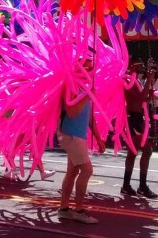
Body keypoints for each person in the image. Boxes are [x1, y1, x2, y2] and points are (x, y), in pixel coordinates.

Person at [57, 58, 105, 224]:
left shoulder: (85, 89)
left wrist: (98, 139)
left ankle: (64, 208)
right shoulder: (70, 87)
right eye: (87, 68)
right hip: (70, 135)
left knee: (72, 171)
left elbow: (89, 117)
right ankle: (79, 209)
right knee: (87, 170)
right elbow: (71, 112)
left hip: (78, 136)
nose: (90, 72)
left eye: (92, 69)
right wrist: (87, 96)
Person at [121, 60, 158, 199]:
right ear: (132, 67)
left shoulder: (136, 81)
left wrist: (149, 93)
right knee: (147, 150)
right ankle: (142, 186)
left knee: (133, 152)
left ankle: (126, 185)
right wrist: (149, 80)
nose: (143, 67)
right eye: (140, 65)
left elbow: (142, 100)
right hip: (133, 120)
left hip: (136, 117)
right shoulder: (130, 81)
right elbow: (139, 98)